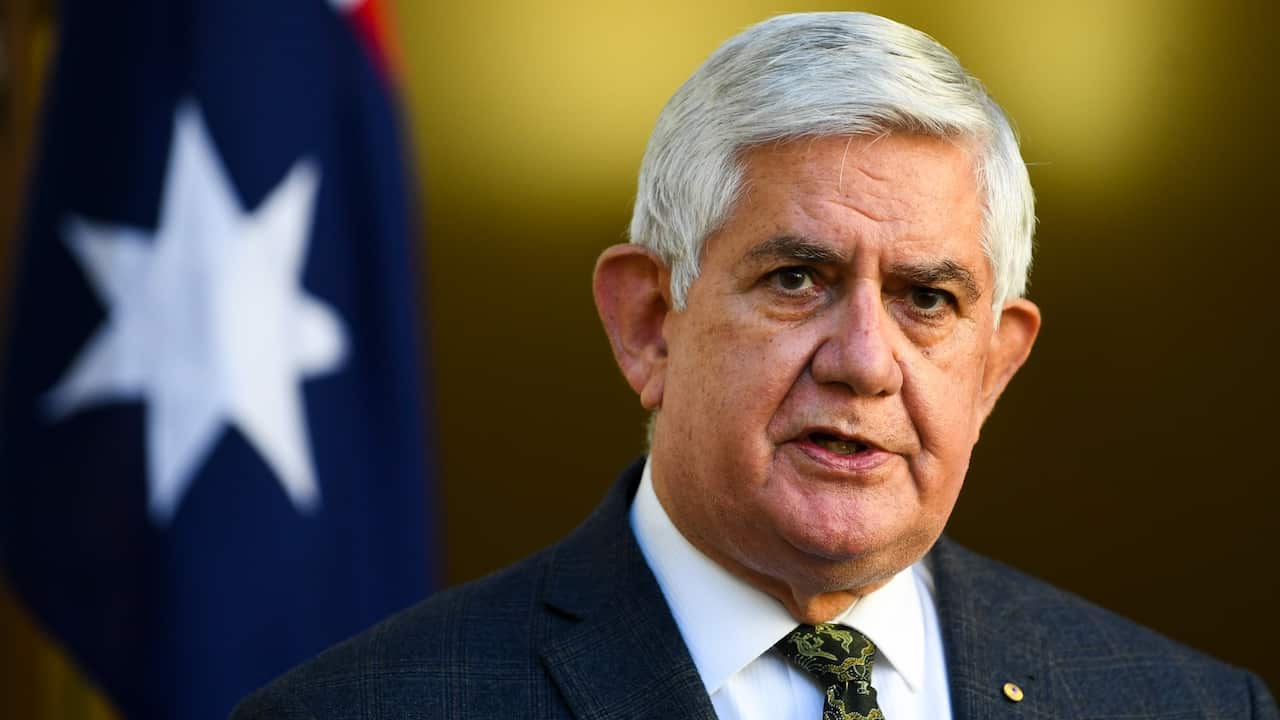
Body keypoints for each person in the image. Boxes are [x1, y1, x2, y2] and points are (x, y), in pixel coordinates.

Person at [233, 12, 1277, 719]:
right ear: (649, 323)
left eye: (926, 299)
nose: (864, 363)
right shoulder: (362, 708)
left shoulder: (1189, 706)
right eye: (796, 279)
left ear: (994, 368)